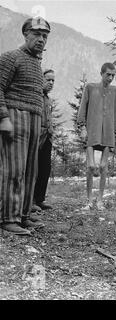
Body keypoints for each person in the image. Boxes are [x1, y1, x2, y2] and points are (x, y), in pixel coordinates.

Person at [0, 17, 50, 235]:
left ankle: (23, 215)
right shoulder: (11, 57)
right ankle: (7, 218)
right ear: (25, 34)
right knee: (14, 170)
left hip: (34, 121)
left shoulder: (37, 64)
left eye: (45, 36)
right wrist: (3, 118)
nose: (41, 39)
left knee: (31, 171)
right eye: (37, 34)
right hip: (15, 117)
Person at [77, 62, 116, 211]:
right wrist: (82, 127)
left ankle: (100, 200)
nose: (110, 78)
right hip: (92, 130)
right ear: (101, 73)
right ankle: (89, 200)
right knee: (90, 166)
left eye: (113, 75)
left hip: (108, 132)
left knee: (103, 167)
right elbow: (83, 107)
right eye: (108, 74)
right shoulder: (90, 88)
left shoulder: (115, 91)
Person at [32, 69, 55, 212]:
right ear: (41, 79)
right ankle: (31, 200)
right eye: (48, 79)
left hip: (47, 137)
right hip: (36, 136)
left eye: (53, 80)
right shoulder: (35, 96)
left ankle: (40, 199)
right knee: (34, 168)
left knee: (45, 168)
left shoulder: (48, 98)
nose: (51, 83)